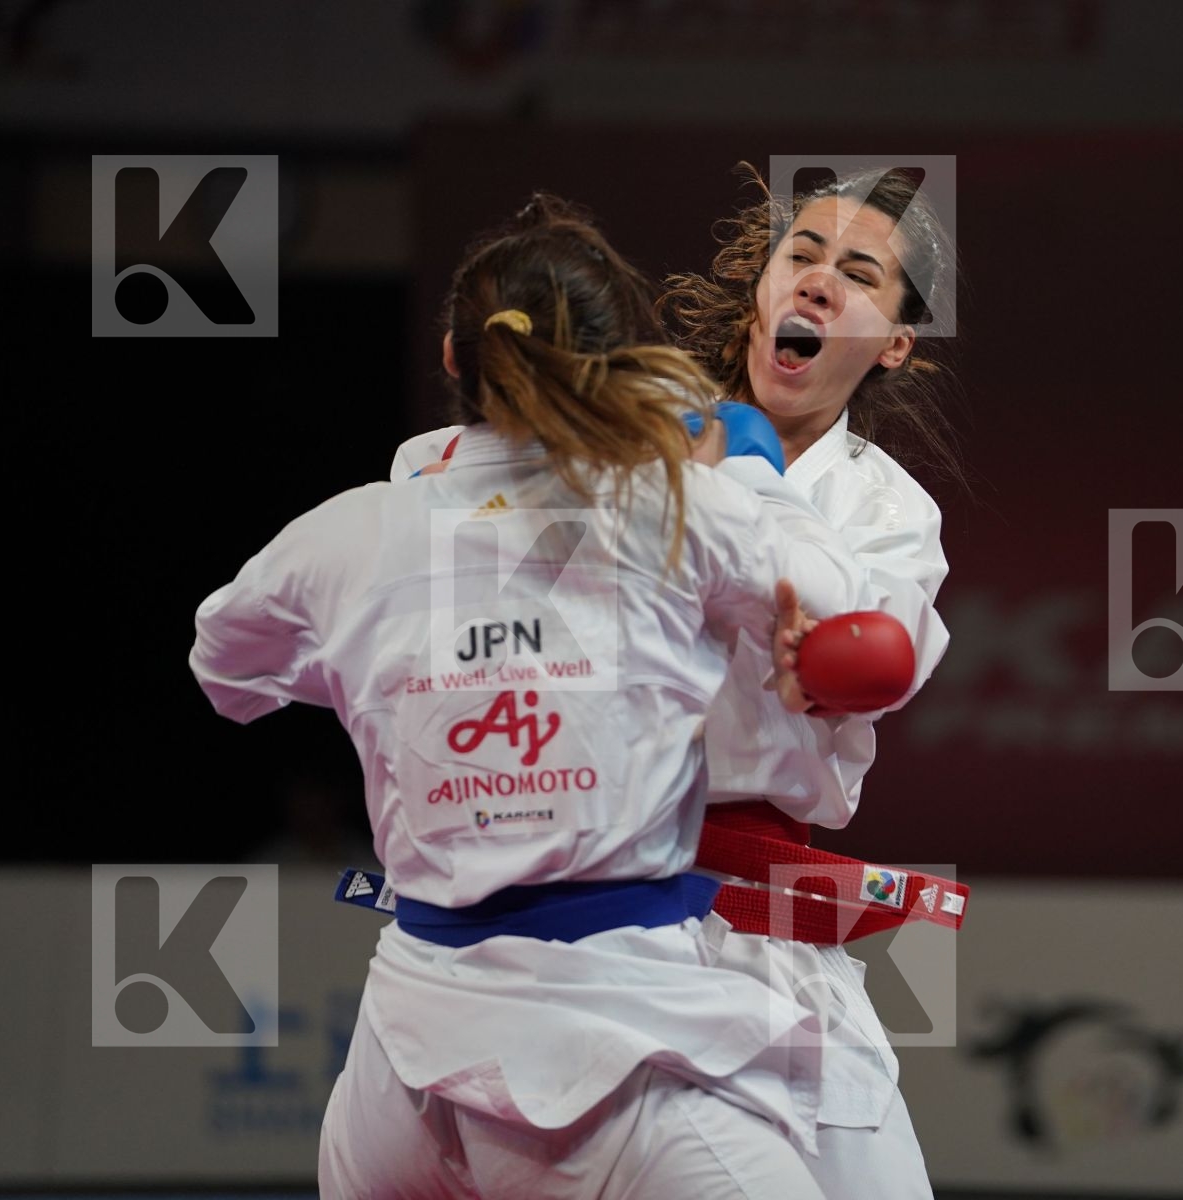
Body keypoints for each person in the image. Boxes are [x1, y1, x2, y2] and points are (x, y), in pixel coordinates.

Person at [191, 194, 874, 1198]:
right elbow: (843, 609)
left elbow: (224, 667)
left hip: (400, 1073)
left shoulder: (351, 531)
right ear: (618, 363)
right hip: (608, 1044)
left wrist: (391, 667)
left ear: (454, 357)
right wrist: (755, 470)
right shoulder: (676, 506)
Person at [391, 167, 963, 1197]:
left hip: (758, 920)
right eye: (801, 255)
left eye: (860, 274)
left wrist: (828, 663)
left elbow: (886, 665)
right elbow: (435, 480)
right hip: (580, 909)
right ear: (762, 289)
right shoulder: (632, 428)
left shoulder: (887, 510)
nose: (819, 281)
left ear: (894, 342)